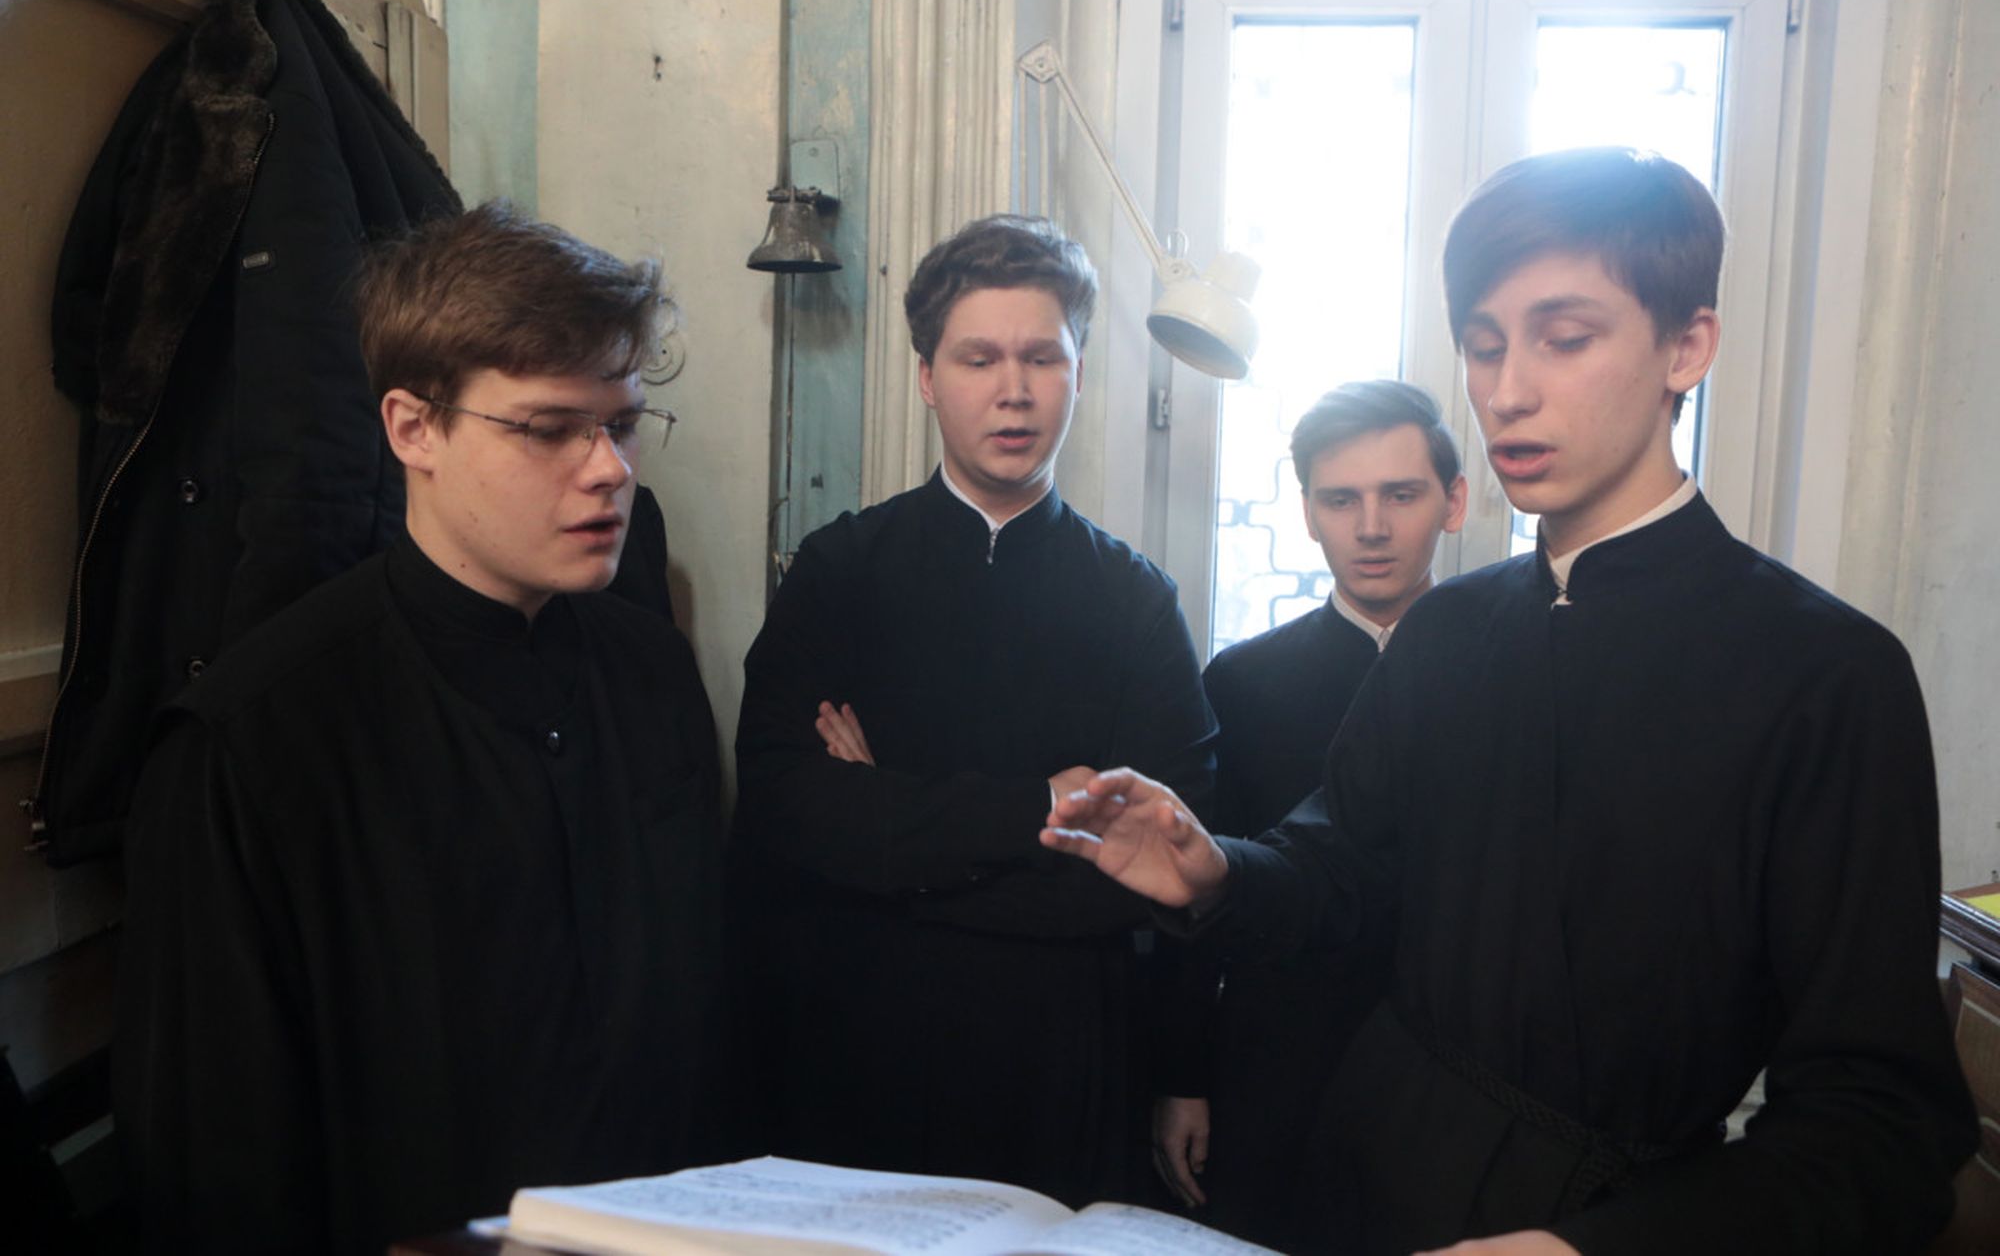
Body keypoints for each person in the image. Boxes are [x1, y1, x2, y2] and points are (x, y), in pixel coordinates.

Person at [1045, 147, 1976, 1255]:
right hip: (1358, 1177)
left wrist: (1592, 1249)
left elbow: (1883, 1123)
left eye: (1564, 338)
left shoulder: (1826, 675)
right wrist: (1215, 869)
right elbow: (1342, 871)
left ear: (1687, 345)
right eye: (1483, 346)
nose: (1506, 390)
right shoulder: (1448, 628)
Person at [115, 203, 728, 1255]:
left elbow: (702, 1011)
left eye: (622, 423)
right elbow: (219, 1155)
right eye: (549, 428)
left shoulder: (653, 670)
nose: (609, 468)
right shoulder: (251, 740)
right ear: (412, 428)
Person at [730, 214, 1216, 1206]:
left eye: (1042, 356)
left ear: (1078, 373)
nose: (1014, 389)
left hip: (1060, 1053)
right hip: (853, 1039)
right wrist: (1039, 811)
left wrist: (886, 826)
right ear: (926, 376)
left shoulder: (1136, 601)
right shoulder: (837, 571)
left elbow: (1149, 875)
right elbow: (783, 817)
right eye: (979, 357)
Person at [1152, 380, 1465, 1248]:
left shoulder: (1509, 669)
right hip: (1280, 1065)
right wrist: (1182, 1076)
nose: (1372, 526)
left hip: (1455, 1076)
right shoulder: (1243, 682)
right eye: (1342, 499)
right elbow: (1193, 891)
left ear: (1453, 501)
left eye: (1400, 494)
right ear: (1308, 514)